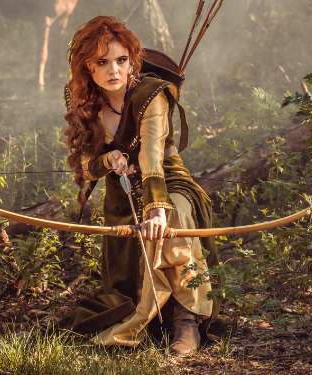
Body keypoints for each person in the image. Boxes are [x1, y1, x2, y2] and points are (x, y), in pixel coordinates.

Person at [56, 15, 220, 357]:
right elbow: (86, 167)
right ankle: (151, 316)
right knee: (122, 296)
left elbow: (152, 156)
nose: (113, 70)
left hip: (168, 182)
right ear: (88, 67)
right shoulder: (84, 103)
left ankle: (187, 319)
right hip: (122, 194)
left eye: (121, 60)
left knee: (173, 214)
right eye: (102, 62)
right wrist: (109, 160)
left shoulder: (151, 94)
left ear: (133, 61)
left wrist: (157, 208)